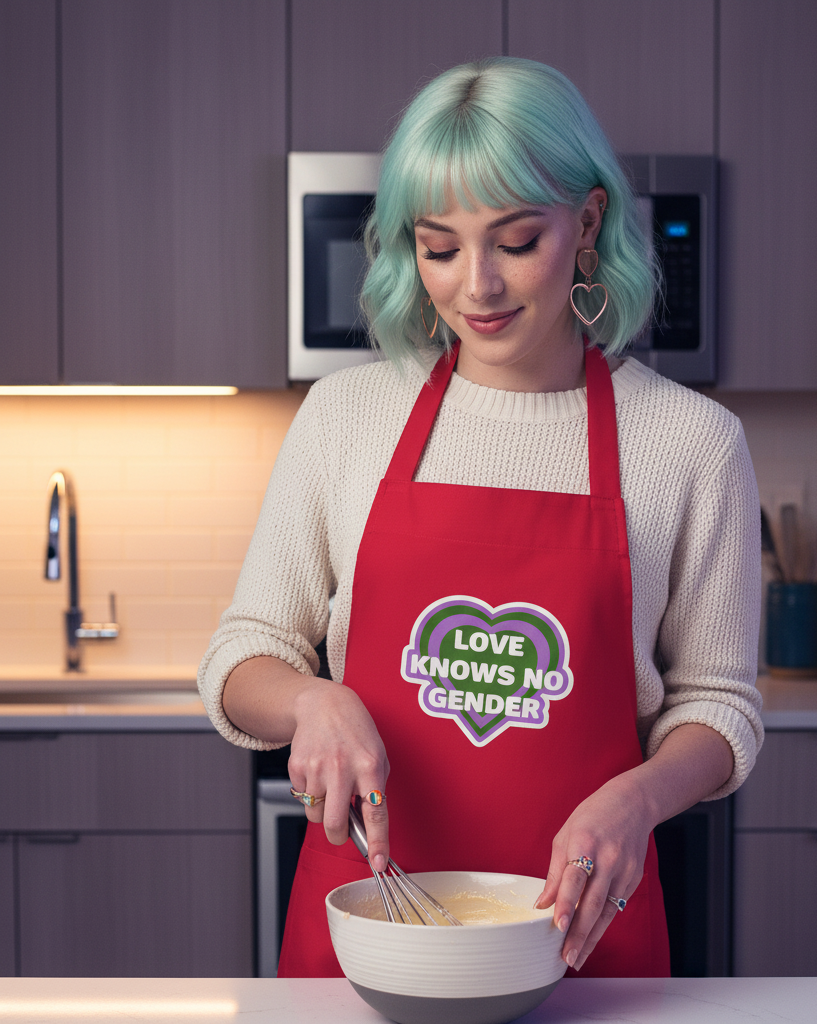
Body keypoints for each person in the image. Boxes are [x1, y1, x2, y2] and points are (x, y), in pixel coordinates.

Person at [198, 56, 763, 978]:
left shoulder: (689, 444)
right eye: (440, 246)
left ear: (586, 226)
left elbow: (717, 704)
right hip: (368, 939)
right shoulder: (348, 419)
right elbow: (240, 657)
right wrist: (312, 699)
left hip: (578, 931)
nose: (476, 287)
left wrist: (641, 797)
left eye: (513, 240)